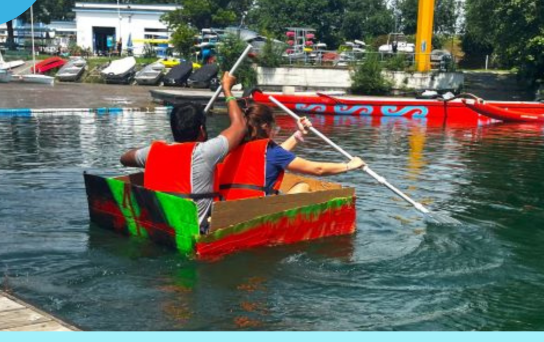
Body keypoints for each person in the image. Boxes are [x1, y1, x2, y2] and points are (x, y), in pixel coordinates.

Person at [119, 72, 245, 231]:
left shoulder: (152, 152)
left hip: (158, 231)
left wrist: (156, 150)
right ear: (201, 130)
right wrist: (227, 88)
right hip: (193, 236)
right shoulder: (205, 152)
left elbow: (124, 158)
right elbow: (239, 126)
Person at [213, 103, 364, 200]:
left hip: (226, 208)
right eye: (274, 127)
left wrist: (298, 135)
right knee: (303, 187)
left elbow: (274, 157)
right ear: (266, 126)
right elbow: (317, 169)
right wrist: (349, 166)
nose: (275, 131)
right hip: (254, 213)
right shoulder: (272, 152)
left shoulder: (234, 146)